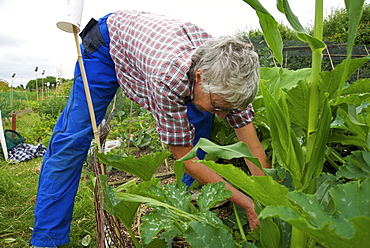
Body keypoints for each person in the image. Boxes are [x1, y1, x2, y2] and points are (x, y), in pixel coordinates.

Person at [30, 10, 270, 248]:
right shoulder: (169, 78)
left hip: (169, 61)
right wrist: (246, 203)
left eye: (229, 108)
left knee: (200, 137)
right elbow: (186, 159)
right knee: (72, 139)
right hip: (108, 44)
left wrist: (268, 198)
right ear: (199, 78)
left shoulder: (229, 80)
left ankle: (182, 215)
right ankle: (47, 238)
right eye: (219, 105)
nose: (222, 116)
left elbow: (251, 146)